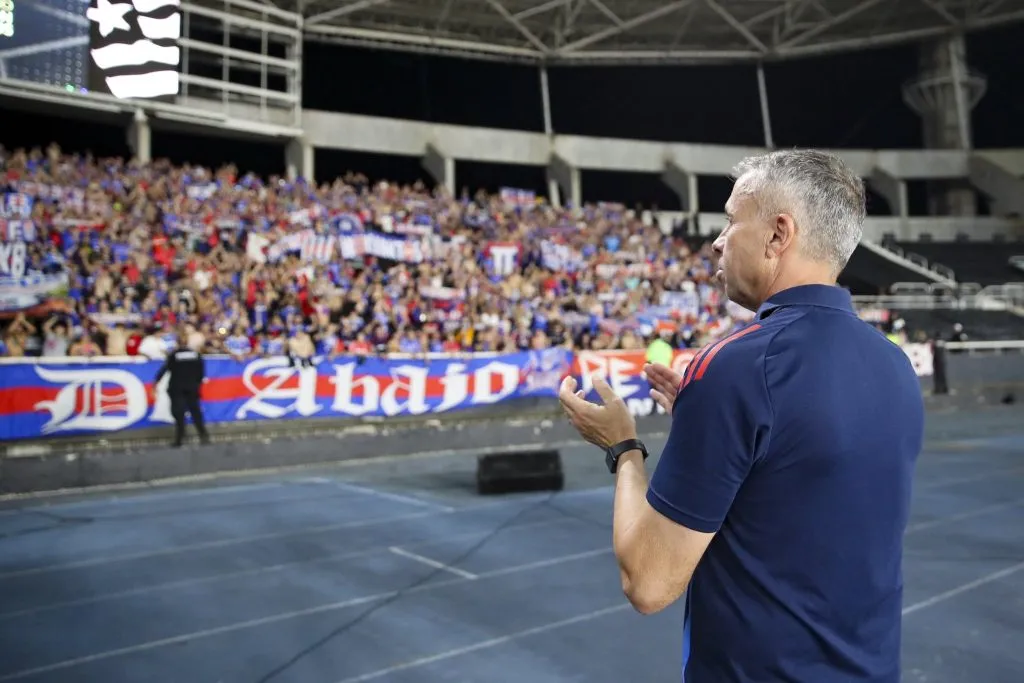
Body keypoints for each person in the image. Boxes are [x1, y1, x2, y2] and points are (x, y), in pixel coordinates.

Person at [559, 149, 924, 683]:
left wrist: (624, 448)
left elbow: (649, 582)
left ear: (779, 235)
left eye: (732, 219)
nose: (717, 240)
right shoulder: (894, 363)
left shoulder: (739, 366)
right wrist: (711, 417)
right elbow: (800, 479)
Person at [154, 330, 211, 448]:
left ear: (177, 343)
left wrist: (156, 382)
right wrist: (196, 385)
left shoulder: (174, 355)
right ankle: (204, 435)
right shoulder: (196, 355)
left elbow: (165, 369)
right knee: (196, 413)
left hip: (177, 388)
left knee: (179, 414)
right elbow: (201, 373)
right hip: (192, 388)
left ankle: (179, 439)